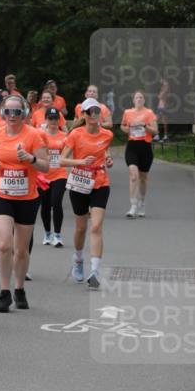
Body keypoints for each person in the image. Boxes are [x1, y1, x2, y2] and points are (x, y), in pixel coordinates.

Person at [0, 94, 49, 312]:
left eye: (17, 112)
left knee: (21, 249)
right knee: (4, 244)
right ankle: (4, 292)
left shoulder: (34, 136)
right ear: (3, 113)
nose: (13, 116)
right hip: (1, 194)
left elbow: (45, 166)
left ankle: (19, 288)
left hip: (26, 197)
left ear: (24, 113)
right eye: (9, 111)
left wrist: (30, 159)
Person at [60, 98, 113, 289]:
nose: (93, 115)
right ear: (83, 114)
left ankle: (95, 271)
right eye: (89, 112)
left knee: (96, 227)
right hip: (79, 182)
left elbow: (104, 152)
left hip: (100, 182)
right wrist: (81, 162)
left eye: (96, 111)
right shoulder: (75, 134)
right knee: (81, 227)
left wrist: (108, 160)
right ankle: (79, 258)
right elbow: (61, 161)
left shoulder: (107, 134)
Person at [121, 91, 158, 218]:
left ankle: (142, 203)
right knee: (133, 176)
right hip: (132, 146)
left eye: (141, 97)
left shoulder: (149, 113)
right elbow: (123, 127)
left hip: (145, 147)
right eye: (137, 97)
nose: (139, 99)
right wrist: (128, 128)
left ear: (144, 100)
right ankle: (133, 206)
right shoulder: (127, 113)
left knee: (143, 178)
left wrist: (144, 126)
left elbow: (155, 131)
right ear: (133, 100)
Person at [38, 107, 68, 247]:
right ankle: (47, 233)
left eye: (56, 118)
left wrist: (62, 158)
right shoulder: (40, 135)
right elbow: (36, 153)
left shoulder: (64, 136)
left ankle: (57, 235)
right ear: (46, 120)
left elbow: (69, 155)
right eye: (50, 118)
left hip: (59, 174)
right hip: (43, 175)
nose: (53, 121)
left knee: (56, 202)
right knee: (45, 206)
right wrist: (45, 156)